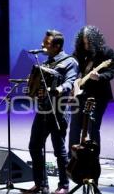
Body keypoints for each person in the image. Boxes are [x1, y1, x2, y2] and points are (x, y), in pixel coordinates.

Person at [25, 30, 79, 194]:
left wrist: (59, 89)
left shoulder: (70, 62)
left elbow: (70, 81)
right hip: (42, 111)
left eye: (47, 43)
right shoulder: (46, 64)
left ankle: (63, 185)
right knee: (34, 147)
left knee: (59, 151)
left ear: (57, 46)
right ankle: (41, 184)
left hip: (59, 112)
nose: (42, 46)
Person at [68, 26, 114, 168]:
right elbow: (71, 68)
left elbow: (111, 72)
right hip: (80, 94)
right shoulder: (80, 53)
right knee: (75, 126)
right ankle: (72, 158)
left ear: (95, 40)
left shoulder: (107, 53)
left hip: (98, 96)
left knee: (93, 127)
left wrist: (99, 76)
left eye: (88, 42)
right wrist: (74, 82)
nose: (86, 45)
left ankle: (94, 160)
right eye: (84, 42)